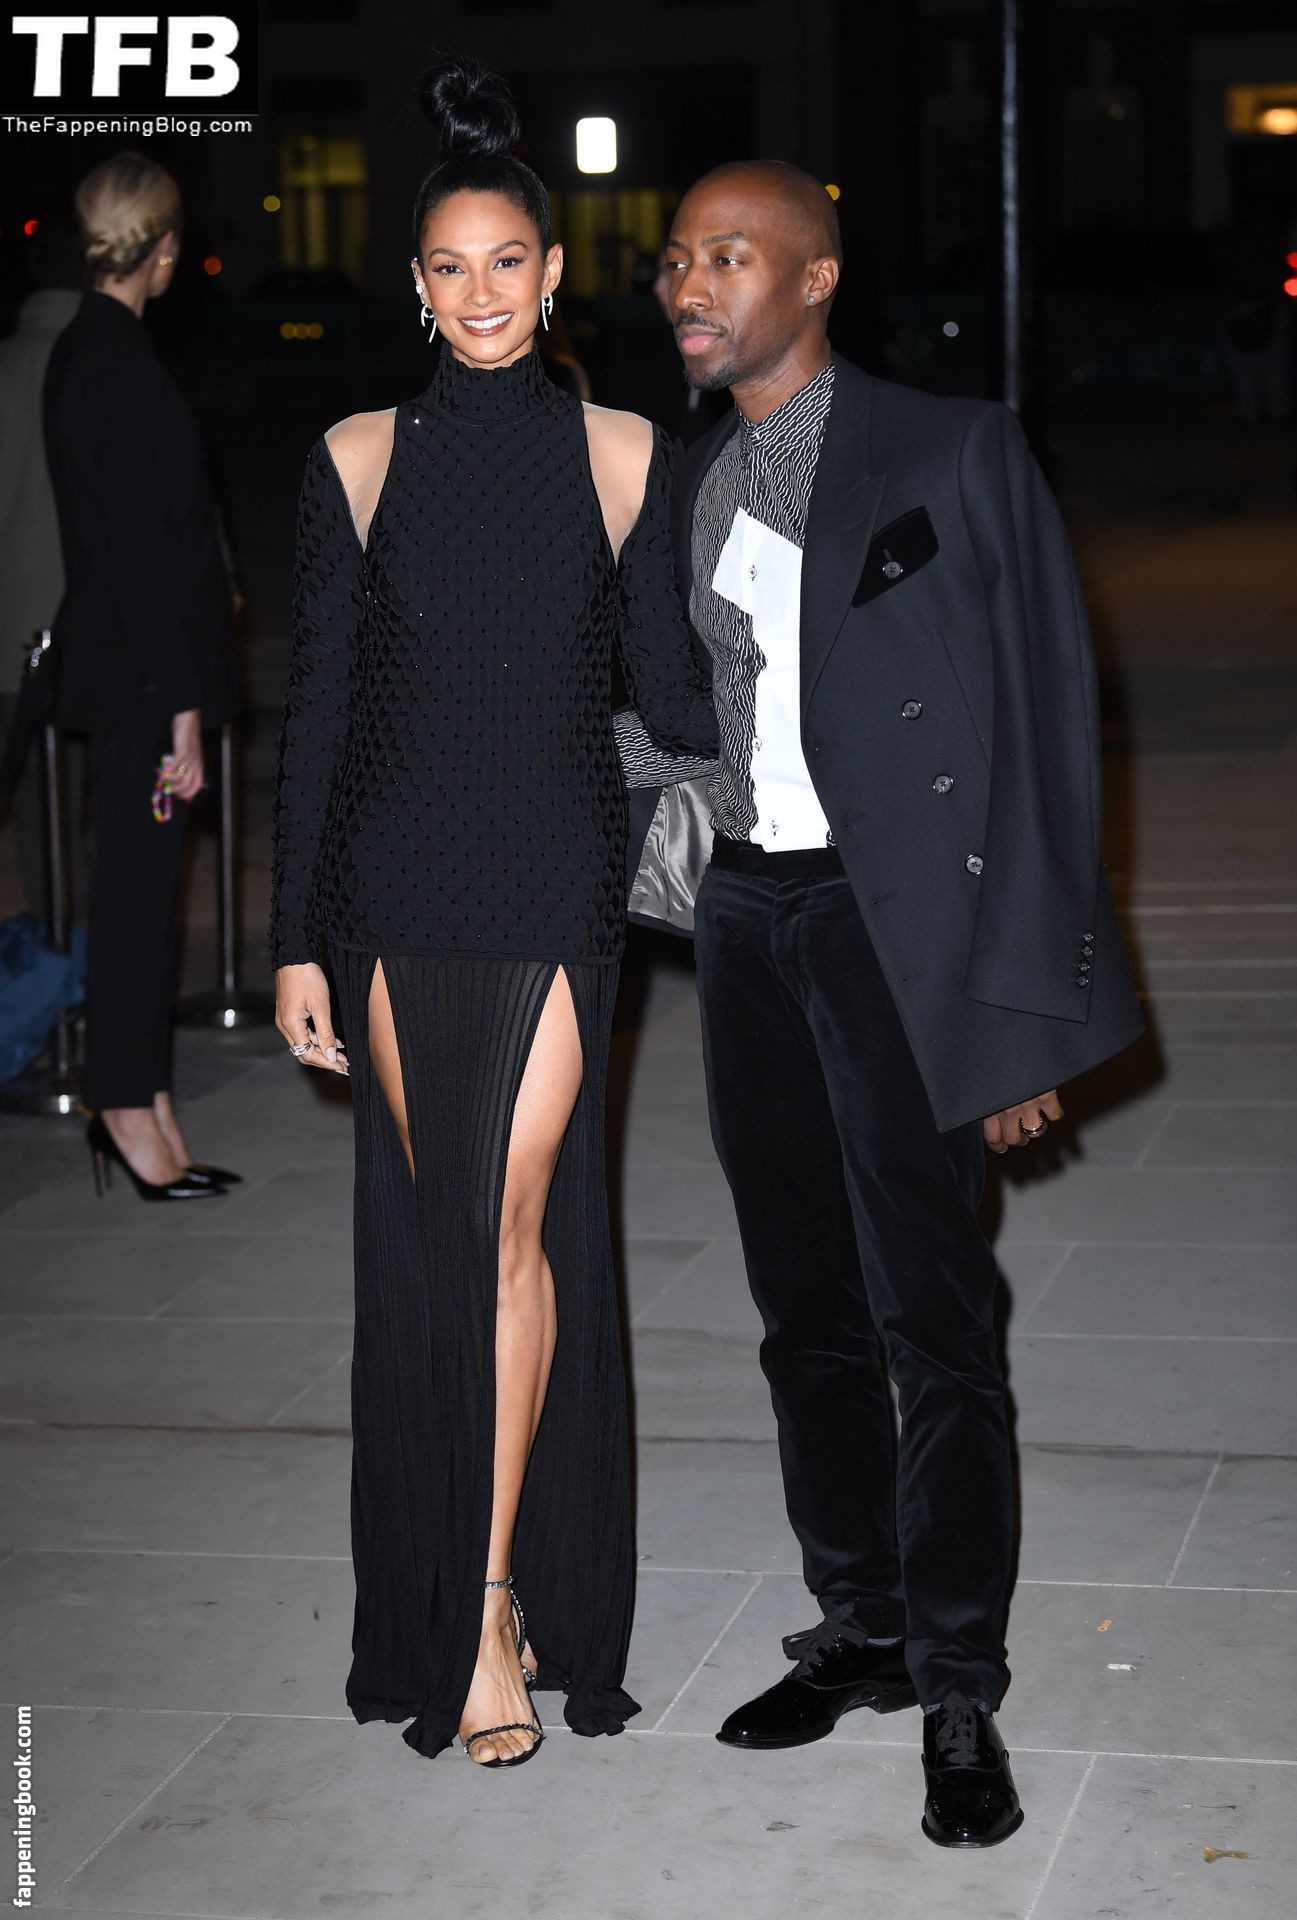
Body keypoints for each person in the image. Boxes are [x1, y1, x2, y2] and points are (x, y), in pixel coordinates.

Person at [662, 161, 1142, 1847]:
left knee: (931, 1319)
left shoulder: (950, 448)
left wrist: (1011, 1015)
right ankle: (857, 1623)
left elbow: (1047, 727)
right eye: (676, 258)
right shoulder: (692, 477)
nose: (690, 283)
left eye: (729, 255)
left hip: (896, 930)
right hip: (748, 913)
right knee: (800, 1306)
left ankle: (955, 1681)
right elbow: (678, 703)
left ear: (816, 277)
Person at [268, 55, 717, 1769]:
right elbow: (318, 718)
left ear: (552, 270)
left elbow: (675, 701)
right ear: (416, 281)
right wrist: (295, 939)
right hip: (392, 883)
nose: (479, 294)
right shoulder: (354, 459)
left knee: (507, 1217)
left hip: (551, 875)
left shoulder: (622, 454)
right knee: (446, 1231)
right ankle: (465, 1595)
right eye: (448, 267)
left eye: (506, 263)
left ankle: (486, 1604)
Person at [43, 152, 240, 1199]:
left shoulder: (98, 349)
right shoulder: (111, 364)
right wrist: (183, 712)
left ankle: (146, 1097)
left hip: (132, 675)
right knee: (133, 897)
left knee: (146, 894)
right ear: (162, 249)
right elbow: (138, 561)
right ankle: (124, 1107)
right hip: (140, 685)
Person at [0, 216, 84, 925]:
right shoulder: (106, 363)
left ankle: (60, 951)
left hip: (13, 635)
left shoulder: (7, 365)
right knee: (87, 803)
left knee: (36, 804)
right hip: (90, 631)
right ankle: (82, 951)